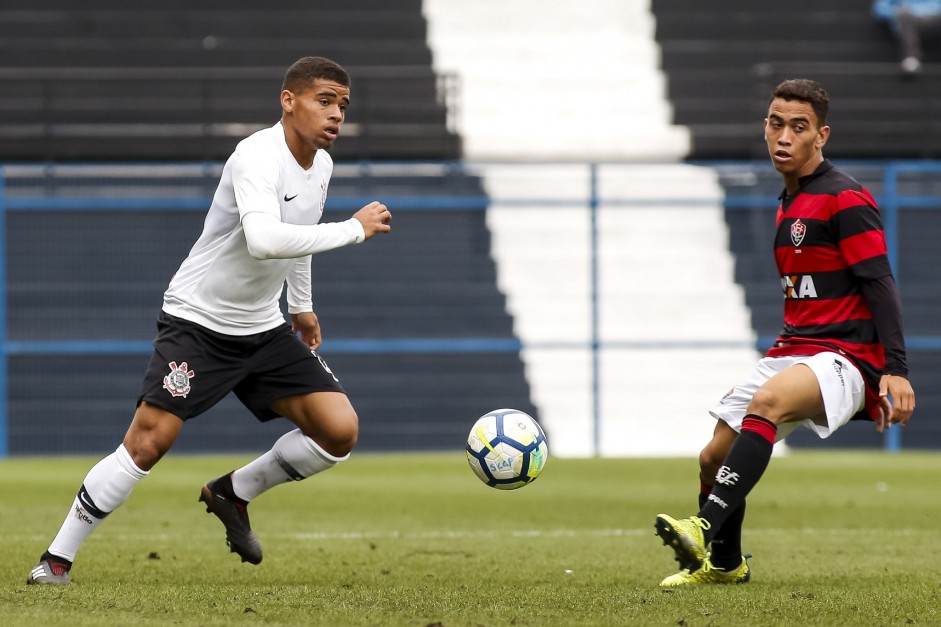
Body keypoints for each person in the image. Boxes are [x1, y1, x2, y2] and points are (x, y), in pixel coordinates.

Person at [25, 56, 392, 585]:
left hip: (264, 328)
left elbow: (299, 240)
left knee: (338, 432)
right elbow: (267, 240)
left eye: (343, 105)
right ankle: (56, 560)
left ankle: (233, 493)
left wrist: (301, 305)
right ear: (288, 101)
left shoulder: (322, 167)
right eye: (325, 100)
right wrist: (354, 230)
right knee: (147, 444)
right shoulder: (255, 156)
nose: (336, 114)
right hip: (199, 323)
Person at [653, 79, 916, 587]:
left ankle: (703, 528)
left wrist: (896, 372)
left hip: (845, 354)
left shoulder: (844, 198)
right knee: (712, 456)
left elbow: (880, 284)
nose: (784, 136)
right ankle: (726, 565)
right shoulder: (787, 202)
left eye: (799, 127)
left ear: (822, 136)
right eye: (776, 123)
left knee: (768, 403)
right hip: (795, 347)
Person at [873, 0, 941, 75]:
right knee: (904, 15)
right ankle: (911, 58)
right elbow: (880, 8)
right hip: (908, 19)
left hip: (936, 18)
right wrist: (896, 12)